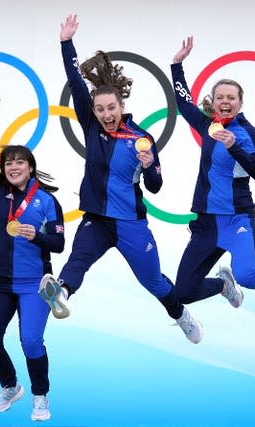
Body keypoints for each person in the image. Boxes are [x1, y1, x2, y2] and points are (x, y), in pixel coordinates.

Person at [38, 14, 203, 344]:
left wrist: (150, 165)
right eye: (100, 110)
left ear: (121, 105)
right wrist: (66, 43)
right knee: (78, 260)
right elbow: (75, 81)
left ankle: (180, 314)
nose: (106, 114)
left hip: (130, 223)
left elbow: (155, 186)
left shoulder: (141, 137)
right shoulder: (91, 126)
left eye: (110, 108)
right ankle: (62, 294)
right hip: (97, 220)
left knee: (154, 282)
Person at [170, 37, 255, 313]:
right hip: (207, 223)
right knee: (184, 291)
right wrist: (177, 64)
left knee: (248, 276)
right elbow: (184, 102)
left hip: (238, 218)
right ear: (213, 103)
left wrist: (234, 147)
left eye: (231, 98)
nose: (225, 102)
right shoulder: (207, 125)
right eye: (220, 97)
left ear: (240, 102)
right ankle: (224, 285)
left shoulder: (248, 134)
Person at [0, 85, 65, 421]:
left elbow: (58, 244)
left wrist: (37, 235)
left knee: (31, 343)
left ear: (30, 166)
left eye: (19, 162)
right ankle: (10, 385)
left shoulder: (47, 201)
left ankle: (40, 396)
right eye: (9, 163)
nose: (13, 167)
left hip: (33, 283)